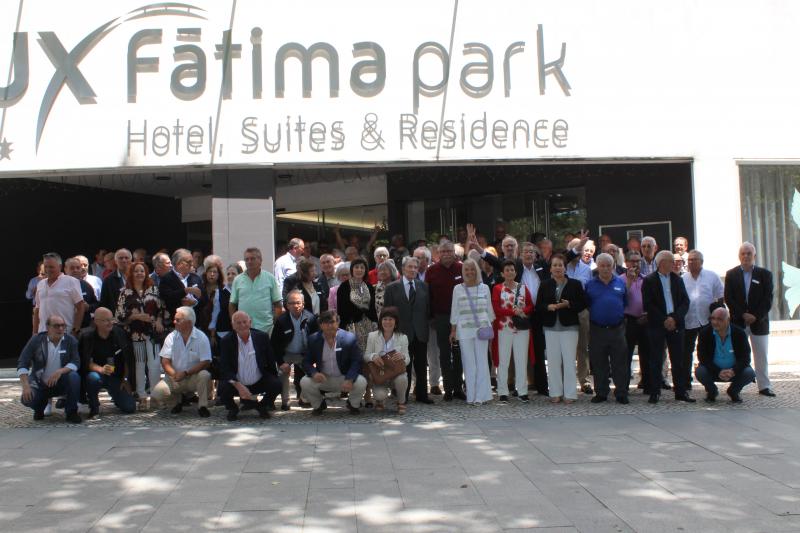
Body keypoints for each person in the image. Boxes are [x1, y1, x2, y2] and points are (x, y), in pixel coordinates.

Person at [643, 250, 694, 403]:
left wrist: (674, 318)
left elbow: (685, 302)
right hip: (657, 325)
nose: (674, 264)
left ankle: (680, 391)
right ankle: (655, 391)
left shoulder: (677, 279)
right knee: (656, 359)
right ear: (661, 263)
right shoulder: (649, 280)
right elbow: (648, 304)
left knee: (678, 359)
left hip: (676, 324)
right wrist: (664, 319)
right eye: (671, 261)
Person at [724, 242, 775, 397]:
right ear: (739, 256)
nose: (746, 256)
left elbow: (768, 299)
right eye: (743, 253)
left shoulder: (765, 274)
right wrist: (742, 315)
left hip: (759, 322)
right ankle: (737, 386)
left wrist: (755, 316)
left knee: (761, 355)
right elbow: (729, 298)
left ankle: (764, 386)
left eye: (749, 253)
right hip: (738, 322)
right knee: (738, 355)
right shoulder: (731, 274)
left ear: (755, 256)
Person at [115, 260, 167, 410]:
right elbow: (119, 315)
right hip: (135, 334)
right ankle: (142, 396)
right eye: (136, 271)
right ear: (131, 274)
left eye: (142, 271)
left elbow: (162, 309)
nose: (139, 274)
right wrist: (135, 317)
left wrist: (159, 320)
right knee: (139, 365)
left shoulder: (154, 290)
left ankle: (156, 396)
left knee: (155, 365)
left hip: (153, 334)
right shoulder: (125, 293)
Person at [383, 256, 433, 404]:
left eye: (415, 267)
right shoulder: (392, 288)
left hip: (420, 332)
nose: (413, 270)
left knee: (421, 365)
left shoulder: (424, 286)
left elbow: (427, 309)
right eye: (409, 267)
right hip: (401, 333)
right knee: (403, 365)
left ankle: (422, 395)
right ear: (403, 269)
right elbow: (387, 312)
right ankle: (402, 396)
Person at [537, 254, 586, 403]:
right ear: (550, 269)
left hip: (569, 327)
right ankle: (556, 393)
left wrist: (569, 304)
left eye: (560, 265)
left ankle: (570, 393)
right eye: (555, 265)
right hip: (551, 327)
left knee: (569, 361)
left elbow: (582, 304)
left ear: (565, 268)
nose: (558, 268)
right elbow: (539, 306)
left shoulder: (575, 284)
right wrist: (548, 306)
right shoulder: (545, 284)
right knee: (552, 361)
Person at [300, 310, 368, 415]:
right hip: (323, 378)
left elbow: (357, 361)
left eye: (332, 322)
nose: (329, 325)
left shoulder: (349, 338)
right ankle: (318, 405)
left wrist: (350, 379)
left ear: (338, 323)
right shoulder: (313, 339)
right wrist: (314, 373)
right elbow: (306, 362)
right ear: (321, 325)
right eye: (326, 323)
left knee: (361, 381)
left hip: (344, 378)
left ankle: (353, 404)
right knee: (304, 381)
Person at [218, 311, 282, 420]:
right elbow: (224, 367)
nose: (242, 325)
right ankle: (232, 408)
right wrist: (238, 385)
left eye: (244, 322)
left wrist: (273, 376)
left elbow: (270, 360)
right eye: (238, 323)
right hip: (237, 382)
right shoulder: (226, 341)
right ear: (233, 325)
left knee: (277, 384)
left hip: (259, 380)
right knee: (222, 389)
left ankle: (262, 406)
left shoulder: (262, 337)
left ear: (250, 322)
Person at [18, 314, 82, 423]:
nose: (61, 329)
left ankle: (71, 412)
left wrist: (60, 371)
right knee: (27, 399)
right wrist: (25, 385)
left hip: (61, 382)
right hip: (40, 383)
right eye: (56, 326)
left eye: (63, 325)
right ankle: (39, 407)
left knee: (74, 377)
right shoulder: (36, 340)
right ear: (48, 327)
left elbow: (76, 362)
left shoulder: (70, 340)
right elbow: (22, 362)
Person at [585, 254, 630, 404]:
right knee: (599, 362)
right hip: (597, 329)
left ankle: (621, 392)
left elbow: (625, 303)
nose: (605, 268)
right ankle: (601, 392)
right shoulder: (590, 285)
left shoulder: (620, 283)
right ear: (597, 267)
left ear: (613, 266)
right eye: (602, 265)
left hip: (617, 329)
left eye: (608, 265)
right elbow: (587, 305)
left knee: (620, 362)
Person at [151, 306, 213, 417]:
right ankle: (176, 402)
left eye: (178, 320)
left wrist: (186, 373)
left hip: (193, 376)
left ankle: (202, 406)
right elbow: (165, 361)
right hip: (174, 376)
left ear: (189, 323)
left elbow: (206, 362)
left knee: (205, 375)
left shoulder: (201, 337)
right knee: (156, 394)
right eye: (175, 319)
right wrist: (175, 375)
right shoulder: (171, 337)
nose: (174, 321)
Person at [449, 258, 495, 405]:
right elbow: (454, 311)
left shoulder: (485, 287)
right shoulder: (457, 289)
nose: (469, 272)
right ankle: (472, 395)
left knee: (482, 361)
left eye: (472, 269)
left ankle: (482, 396)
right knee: (468, 363)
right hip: (464, 330)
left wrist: (491, 328)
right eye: (467, 269)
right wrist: (453, 331)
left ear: (477, 270)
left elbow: (489, 310)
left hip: (482, 329)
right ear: (463, 272)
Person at [427, 241, 466, 401]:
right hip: (441, 317)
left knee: (459, 353)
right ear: (438, 254)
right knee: (444, 353)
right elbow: (428, 297)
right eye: (443, 251)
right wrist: (431, 317)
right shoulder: (432, 271)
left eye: (449, 251)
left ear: (454, 252)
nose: (446, 254)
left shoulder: (462, 268)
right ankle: (448, 389)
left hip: (460, 318)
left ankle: (458, 388)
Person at [79, 307, 136, 417]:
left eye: (111, 319)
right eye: (106, 320)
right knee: (92, 378)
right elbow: (86, 361)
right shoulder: (87, 336)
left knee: (130, 407)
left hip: (116, 376)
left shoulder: (119, 333)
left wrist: (125, 379)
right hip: (97, 374)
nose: (110, 323)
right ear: (96, 321)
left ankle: (116, 397)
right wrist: (101, 369)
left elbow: (127, 359)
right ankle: (94, 405)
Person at [491, 260, 533, 403]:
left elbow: (530, 306)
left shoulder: (523, 288)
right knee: (503, 361)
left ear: (516, 272)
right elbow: (496, 308)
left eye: (512, 270)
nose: (509, 272)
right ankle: (502, 391)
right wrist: (513, 311)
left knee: (521, 360)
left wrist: (522, 310)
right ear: (502, 273)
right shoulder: (497, 289)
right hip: (504, 328)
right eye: (507, 270)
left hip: (521, 329)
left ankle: (522, 391)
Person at [682, 250, 724, 393]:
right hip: (689, 320)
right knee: (686, 352)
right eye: (689, 260)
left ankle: (709, 380)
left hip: (707, 321)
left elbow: (720, 296)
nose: (691, 262)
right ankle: (686, 382)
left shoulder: (712, 276)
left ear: (702, 261)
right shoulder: (683, 278)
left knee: (707, 352)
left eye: (694, 259)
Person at [695, 306, 757, 403]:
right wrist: (718, 371)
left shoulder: (739, 333)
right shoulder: (705, 333)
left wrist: (733, 371)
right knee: (700, 372)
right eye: (713, 319)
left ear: (728, 320)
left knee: (749, 373)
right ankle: (712, 391)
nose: (715, 322)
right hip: (713, 371)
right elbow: (702, 358)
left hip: (734, 371)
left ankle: (733, 391)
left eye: (719, 319)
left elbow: (745, 358)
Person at [272, 289, 319, 409]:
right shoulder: (281, 321)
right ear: (287, 305)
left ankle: (304, 398)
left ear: (303, 304)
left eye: (298, 302)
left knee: (312, 373)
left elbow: (316, 342)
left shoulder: (311, 319)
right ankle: (285, 401)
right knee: (282, 373)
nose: (295, 306)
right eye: (292, 303)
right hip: (286, 353)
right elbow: (274, 344)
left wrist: (313, 360)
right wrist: (281, 362)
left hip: (304, 354)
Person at [364, 306, 410, 414]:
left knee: (402, 379)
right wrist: (373, 356)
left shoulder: (403, 337)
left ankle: (401, 402)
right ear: (380, 321)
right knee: (379, 394)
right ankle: (380, 401)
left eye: (391, 319)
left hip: (395, 373)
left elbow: (407, 359)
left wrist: (402, 357)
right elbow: (366, 355)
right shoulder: (372, 336)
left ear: (396, 322)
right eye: (385, 319)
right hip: (380, 374)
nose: (387, 322)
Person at [229, 247, 283, 336]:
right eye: (247, 259)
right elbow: (232, 304)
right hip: (244, 328)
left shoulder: (270, 278)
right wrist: (234, 322)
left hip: (266, 328)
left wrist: (273, 322)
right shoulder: (237, 280)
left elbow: (277, 304)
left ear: (260, 260)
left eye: (252, 259)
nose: (249, 261)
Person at [33, 252, 86, 338]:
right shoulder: (40, 284)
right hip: (43, 334)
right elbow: (37, 310)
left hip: (64, 334)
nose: (48, 269)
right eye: (46, 266)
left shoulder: (71, 281)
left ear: (60, 267)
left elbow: (80, 306)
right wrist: (34, 334)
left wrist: (75, 330)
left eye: (51, 267)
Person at [622, 251, 651, 392]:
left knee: (646, 354)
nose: (635, 264)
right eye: (632, 261)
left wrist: (647, 314)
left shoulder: (647, 279)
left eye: (638, 261)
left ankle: (646, 383)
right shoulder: (620, 279)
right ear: (626, 263)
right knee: (626, 354)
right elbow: (620, 298)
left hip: (645, 320)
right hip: (629, 320)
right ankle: (624, 385)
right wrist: (629, 280)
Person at [336, 258, 377, 354]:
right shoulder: (344, 287)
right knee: (354, 354)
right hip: (351, 326)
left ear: (365, 270)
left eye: (362, 268)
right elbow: (341, 310)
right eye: (356, 267)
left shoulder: (369, 286)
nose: (359, 270)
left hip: (369, 326)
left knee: (369, 354)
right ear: (352, 270)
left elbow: (372, 307)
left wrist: (375, 322)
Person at [160, 249, 205, 320]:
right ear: (178, 263)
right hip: (174, 323)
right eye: (189, 262)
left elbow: (204, 298)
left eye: (192, 261)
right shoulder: (166, 279)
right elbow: (167, 298)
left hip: (195, 323)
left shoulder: (196, 278)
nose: (192, 264)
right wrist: (186, 291)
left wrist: (195, 302)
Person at [65, 257, 99, 329]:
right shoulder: (60, 286)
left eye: (78, 268)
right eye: (72, 268)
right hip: (64, 327)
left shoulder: (87, 286)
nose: (75, 270)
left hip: (84, 328)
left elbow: (96, 304)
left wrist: (88, 307)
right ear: (65, 269)